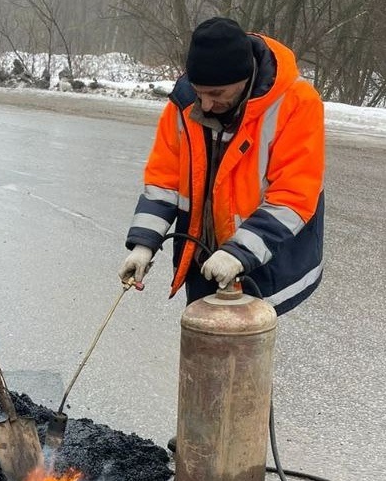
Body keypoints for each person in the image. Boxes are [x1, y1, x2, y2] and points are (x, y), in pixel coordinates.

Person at [120, 16, 324, 313]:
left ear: (243, 80)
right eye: (199, 91)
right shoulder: (184, 103)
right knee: (203, 345)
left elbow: (293, 197)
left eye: (216, 94)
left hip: (262, 258)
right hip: (204, 258)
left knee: (244, 352)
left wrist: (238, 253)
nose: (204, 104)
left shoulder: (296, 103)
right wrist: (144, 244)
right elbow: (164, 183)